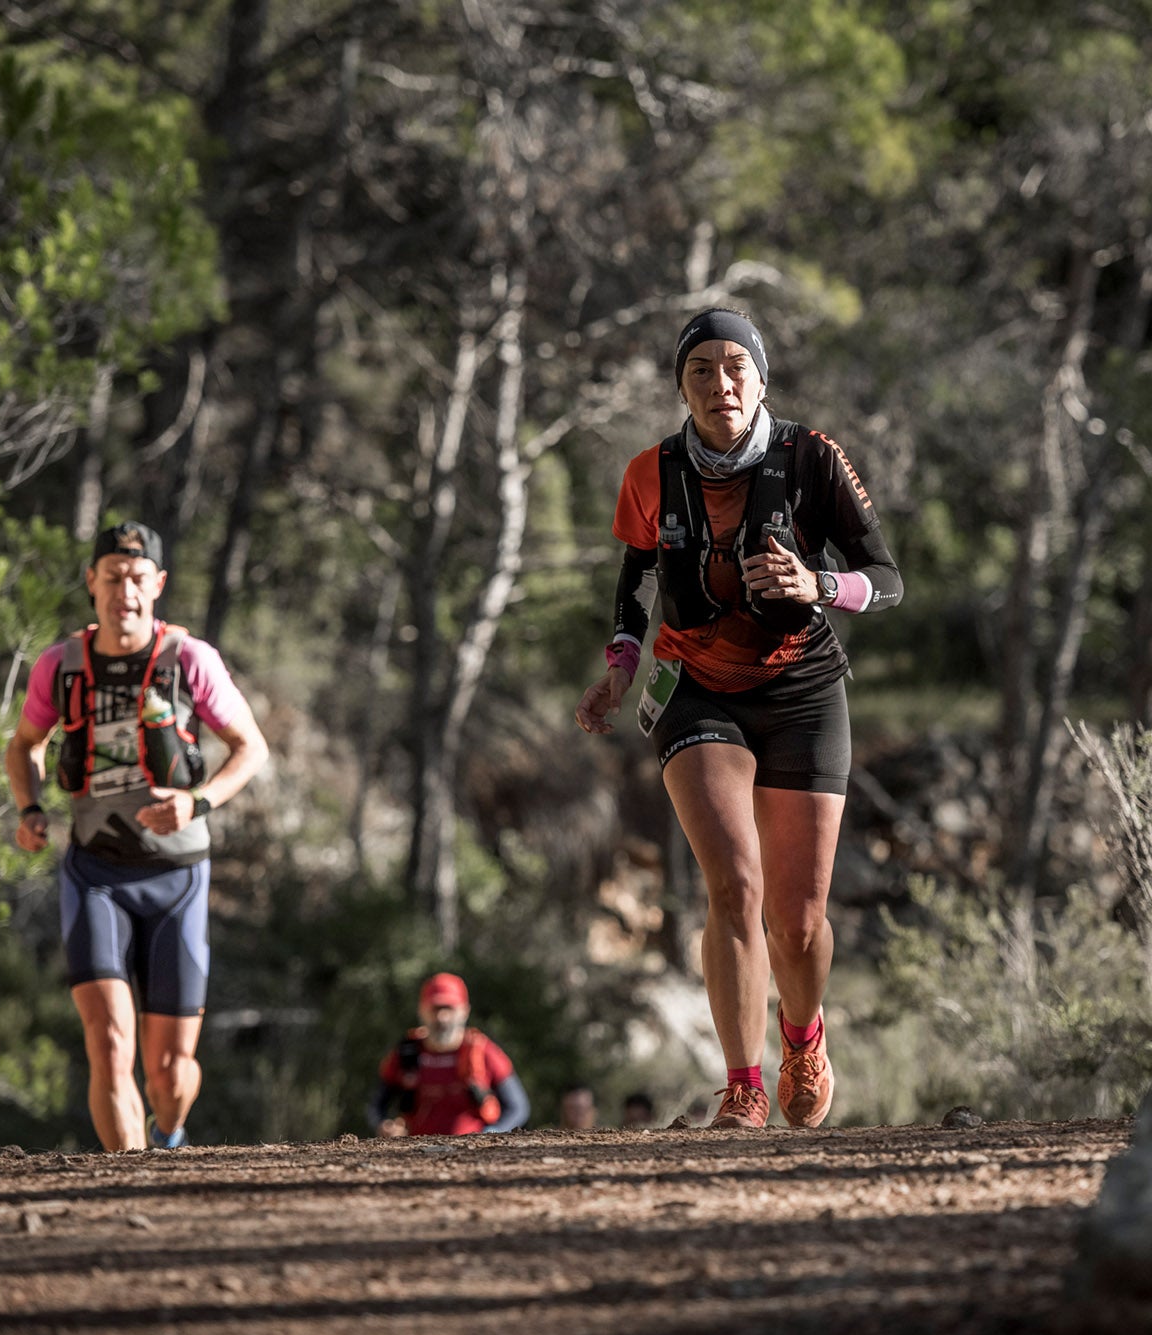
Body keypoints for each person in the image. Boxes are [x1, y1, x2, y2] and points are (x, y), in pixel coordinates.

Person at [576, 309, 902, 1129]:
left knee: (797, 922)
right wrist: (618, 670)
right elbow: (636, 584)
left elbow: (886, 579)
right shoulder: (653, 472)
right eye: (700, 371)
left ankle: (803, 1035)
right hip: (695, 688)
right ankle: (743, 1082)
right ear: (680, 386)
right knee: (734, 885)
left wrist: (816, 586)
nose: (720, 384)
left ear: (761, 378)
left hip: (802, 692)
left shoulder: (810, 458)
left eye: (735, 368)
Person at [5, 521, 270, 1152]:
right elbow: (24, 746)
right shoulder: (60, 666)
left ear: (158, 585)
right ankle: (128, 1182)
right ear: (92, 582)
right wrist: (30, 808)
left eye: (137, 578)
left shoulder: (189, 661)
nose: (125, 590)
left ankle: (170, 1134)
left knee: (169, 1071)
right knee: (109, 1042)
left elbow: (249, 748)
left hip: (177, 878)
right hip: (95, 873)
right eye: (113, 576)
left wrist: (196, 801)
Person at [369, 972, 531, 1137]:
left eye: (449, 1008)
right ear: (422, 1010)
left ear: (464, 1011)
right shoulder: (406, 1052)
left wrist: (492, 1134)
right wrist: (383, 1125)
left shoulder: (483, 1051)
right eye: (435, 1008)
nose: (442, 1017)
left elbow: (518, 1107)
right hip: (414, 1154)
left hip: (474, 1154)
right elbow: (376, 1105)